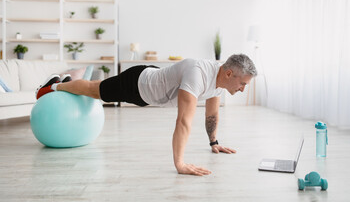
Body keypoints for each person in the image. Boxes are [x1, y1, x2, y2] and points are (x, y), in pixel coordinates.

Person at [36, 54, 257, 176]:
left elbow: (212, 112)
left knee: (96, 88)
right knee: (95, 89)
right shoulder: (198, 74)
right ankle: (55, 86)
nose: (243, 89)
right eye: (243, 84)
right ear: (229, 73)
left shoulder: (220, 82)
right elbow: (183, 121)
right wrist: (179, 164)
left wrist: (214, 142)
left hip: (152, 85)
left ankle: (65, 83)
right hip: (137, 83)